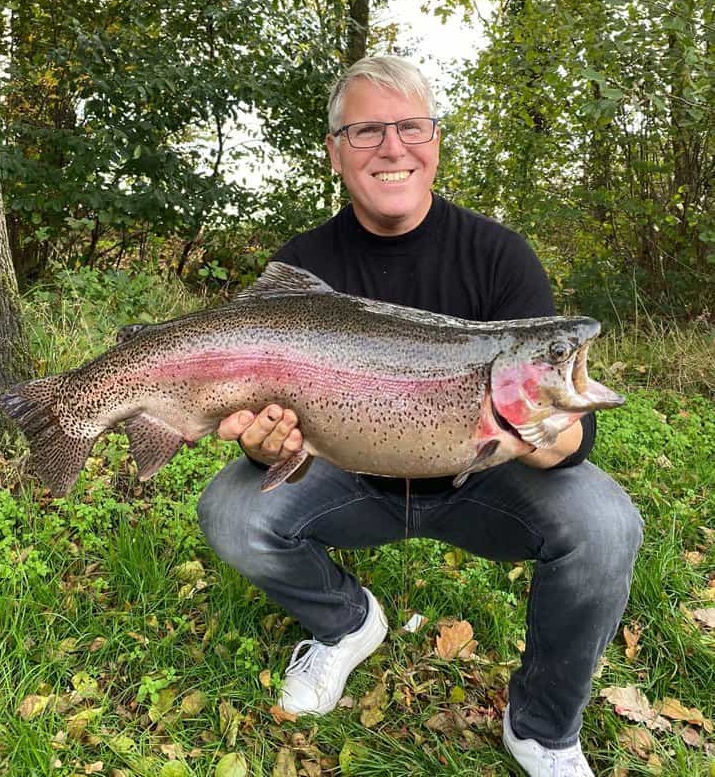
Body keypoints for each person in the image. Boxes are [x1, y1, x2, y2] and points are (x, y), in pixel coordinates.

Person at [197, 56, 643, 777]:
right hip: (350, 475)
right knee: (230, 511)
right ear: (335, 151)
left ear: (436, 141)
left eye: (411, 126)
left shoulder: (499, 255)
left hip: (481, 481)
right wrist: (262, 443)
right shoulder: (301, 270)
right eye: (367, 130)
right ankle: (346, 624)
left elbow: (572, 431)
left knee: (607, 523)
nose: (392, 147)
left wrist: (553, 435)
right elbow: (265, 428)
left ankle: (542, 729)